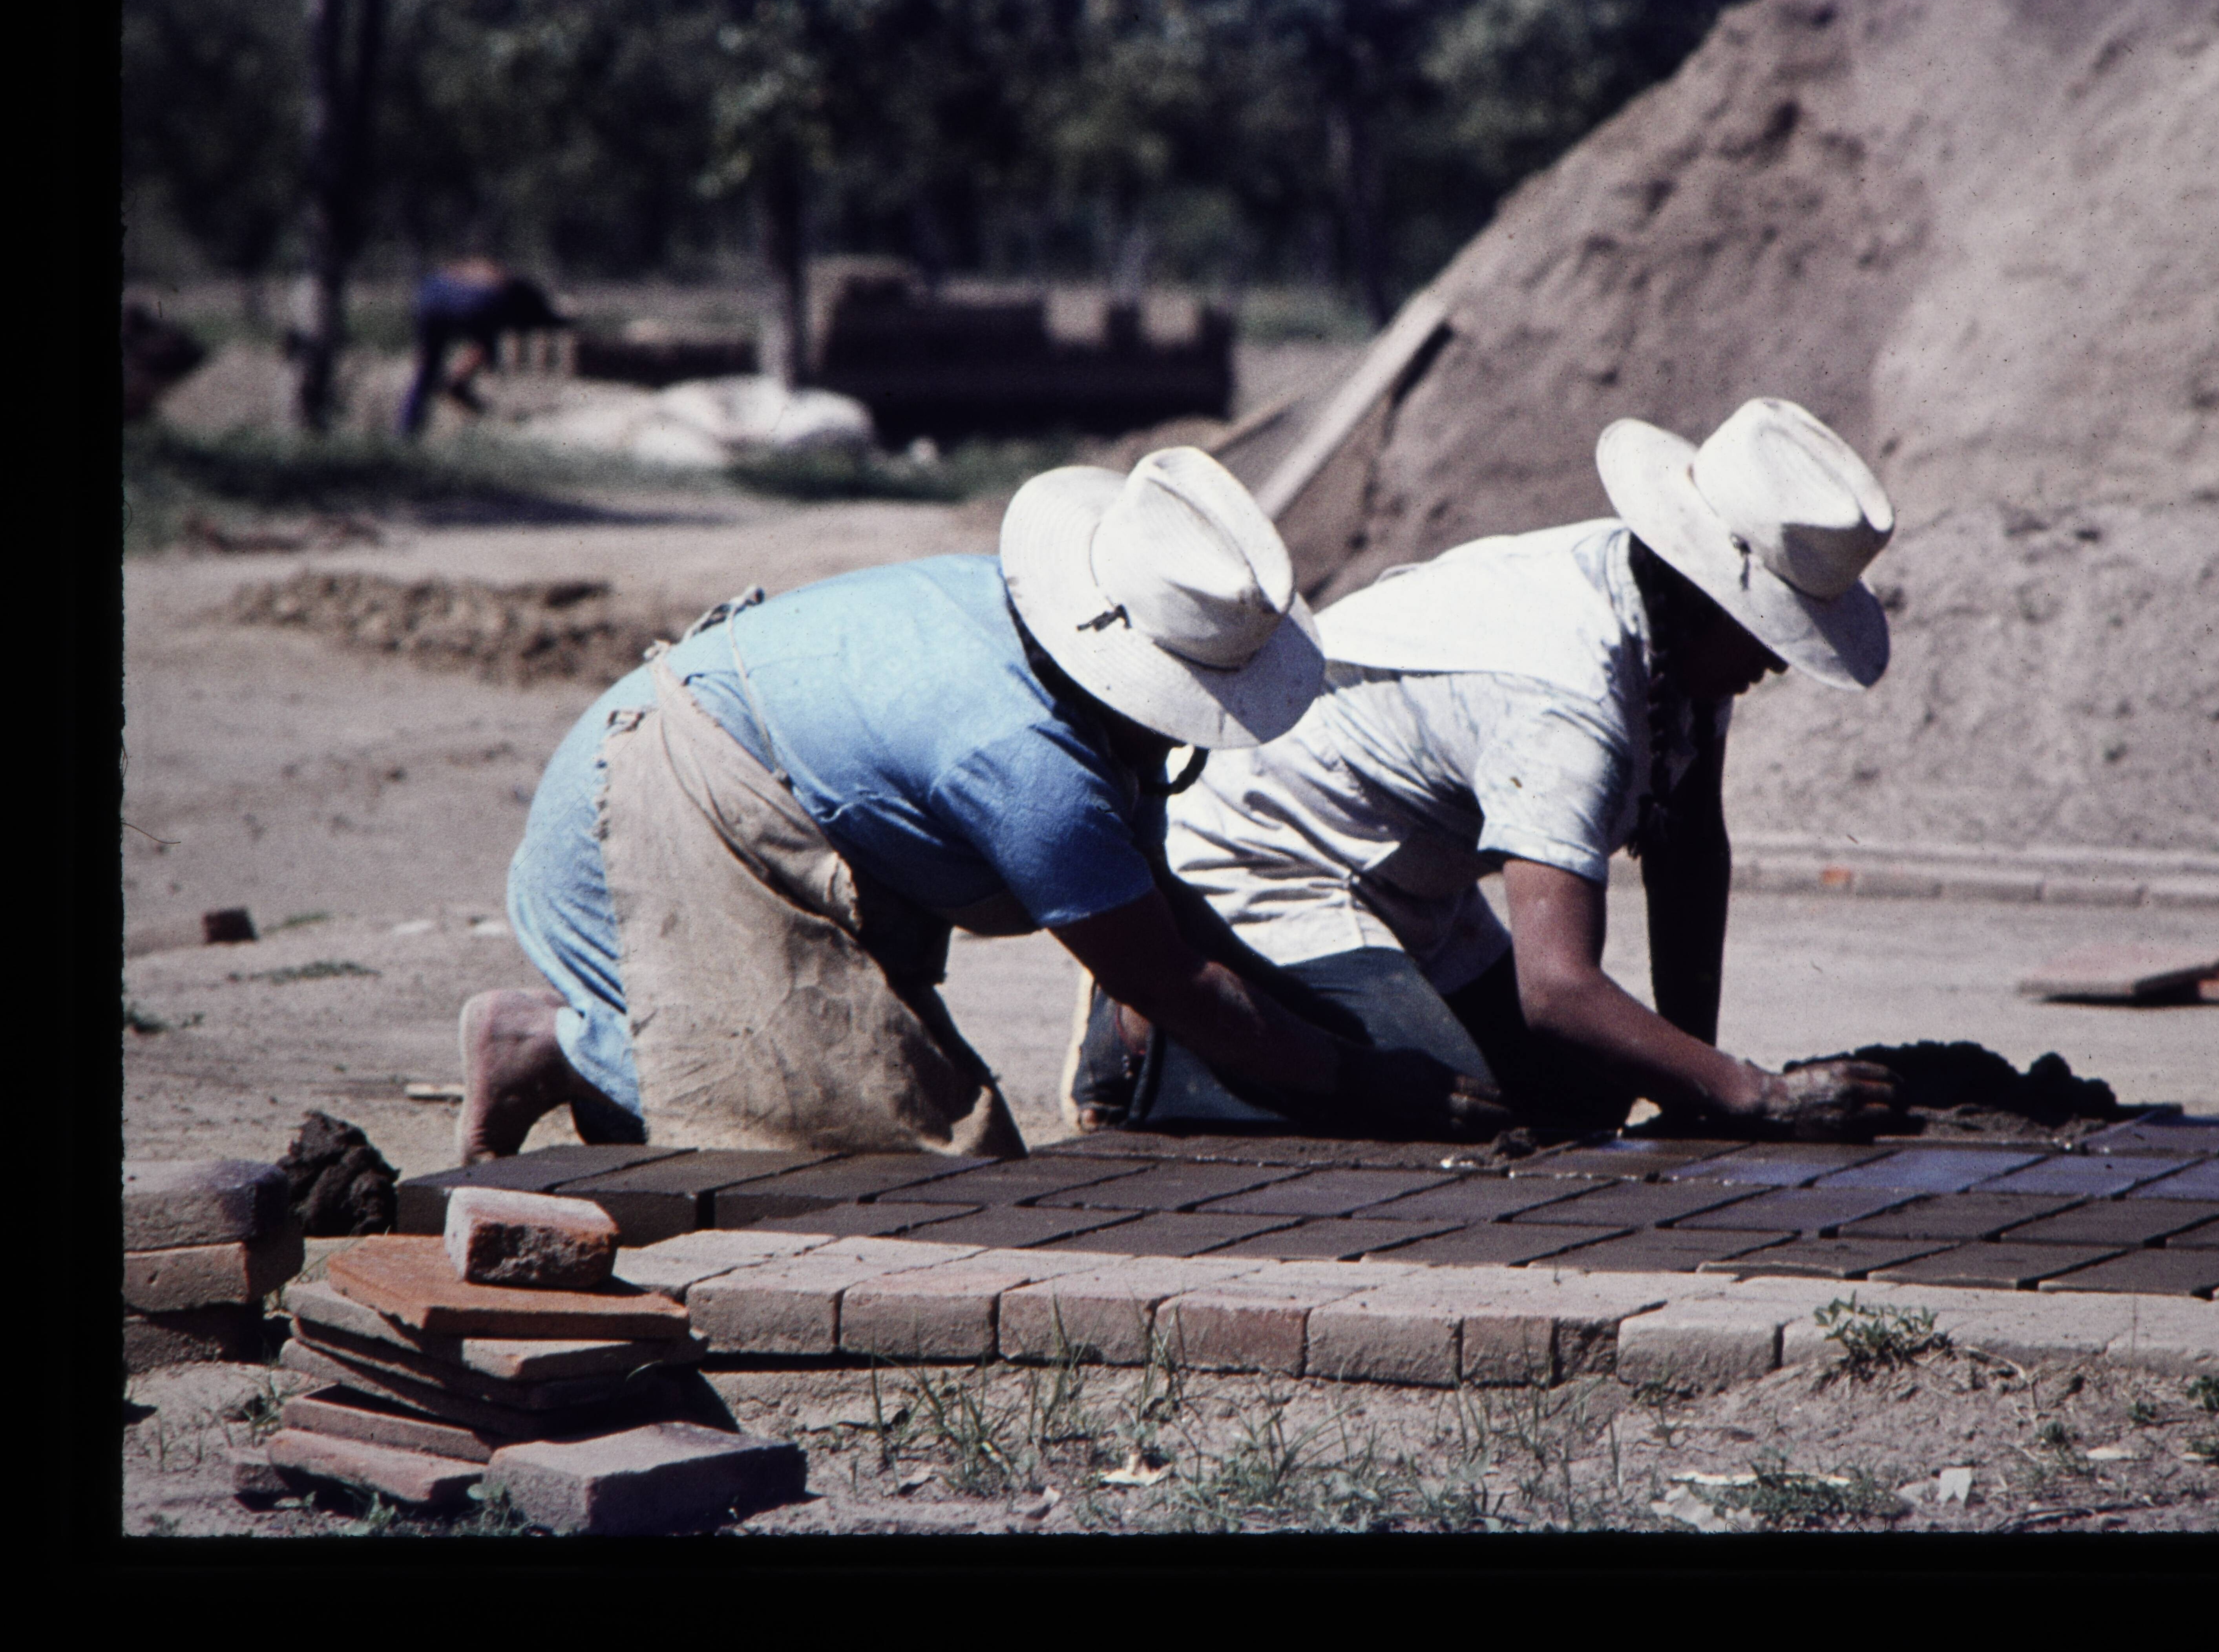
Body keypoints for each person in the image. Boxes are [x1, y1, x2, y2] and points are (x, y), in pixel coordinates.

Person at [461, 446, 1505, 1164]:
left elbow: (1156, 926)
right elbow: (1167, 980)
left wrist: (1290, 1033)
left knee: (900, 1131)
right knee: (900, 1162)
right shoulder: (1027, 759)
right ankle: (560, 1045)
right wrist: (1361, 1083)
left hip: (722, 780)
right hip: (647, 815)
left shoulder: (1048, 642)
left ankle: (596, 1060)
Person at [1069, 397, 1904, 1141]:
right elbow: (1558, 991)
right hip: (1268, 853)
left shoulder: (1676, 637)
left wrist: (1703, 1089)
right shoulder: (1565, 698)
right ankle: (1155, 1033)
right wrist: (1751, 1092)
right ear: (1713, 596)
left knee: (1586, 1093)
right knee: (1452, 1107)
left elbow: (1688, 853)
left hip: (1409, 875)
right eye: (1772, 631)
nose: (1779, 661)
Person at [396, 259, 570, 436]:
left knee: (427, 371)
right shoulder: (519, 298)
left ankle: (407, 430)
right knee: (487, 345)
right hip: (476, 298)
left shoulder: (513, 290)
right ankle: (459, 389)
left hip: (431, 293)